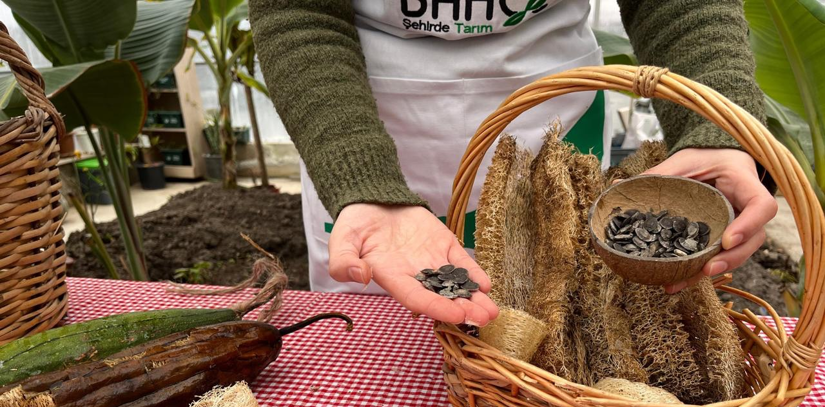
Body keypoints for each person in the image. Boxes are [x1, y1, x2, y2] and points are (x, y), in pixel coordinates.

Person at [249, 0, 778, 327]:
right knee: (376, 339)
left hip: (549, 105)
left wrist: (718, 129)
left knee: (560, 312)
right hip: (357, 116)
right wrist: (360, 181)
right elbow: (299, 11)